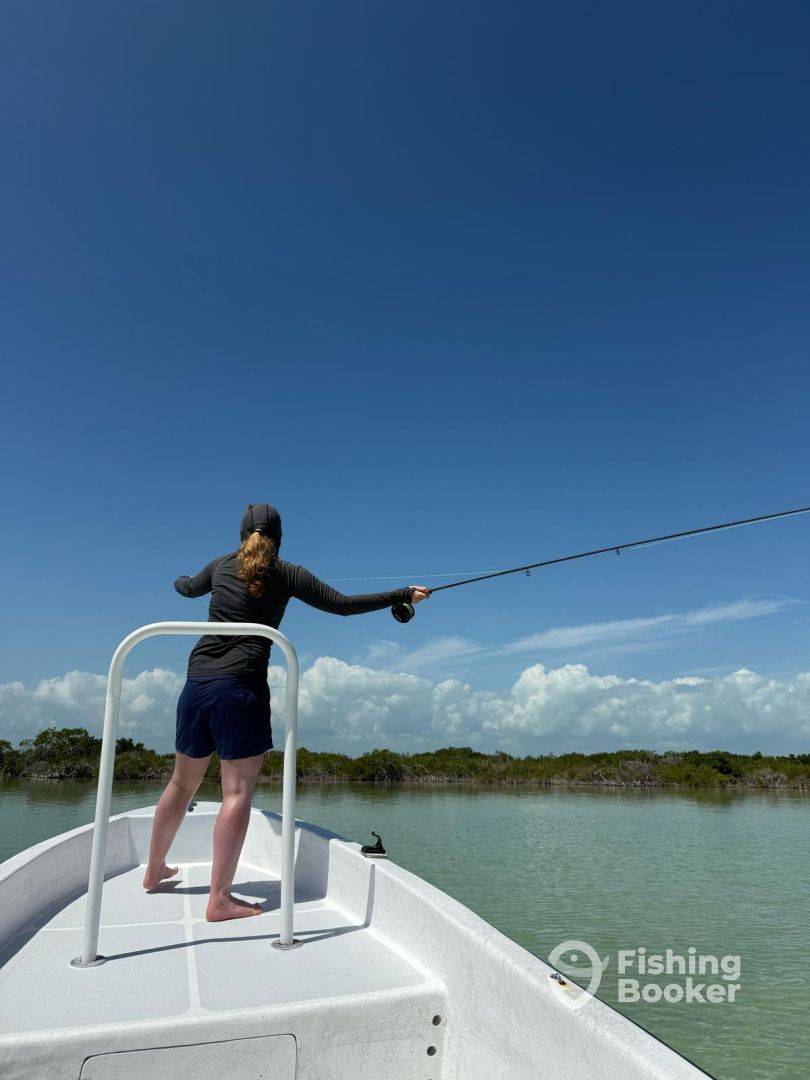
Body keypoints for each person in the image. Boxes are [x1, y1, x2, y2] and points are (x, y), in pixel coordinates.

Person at [142, 502, 430, 921]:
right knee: (236, 793)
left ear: (241, 535)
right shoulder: (287, 572)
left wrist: (179, 580)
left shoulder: (220, 564)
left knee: (181, 783)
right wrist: (403, 594)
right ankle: (219, 900)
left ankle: (153, 871)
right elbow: (342, 605)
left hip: (197, 682)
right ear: (279, 538)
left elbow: (187, 588)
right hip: (240, 687)